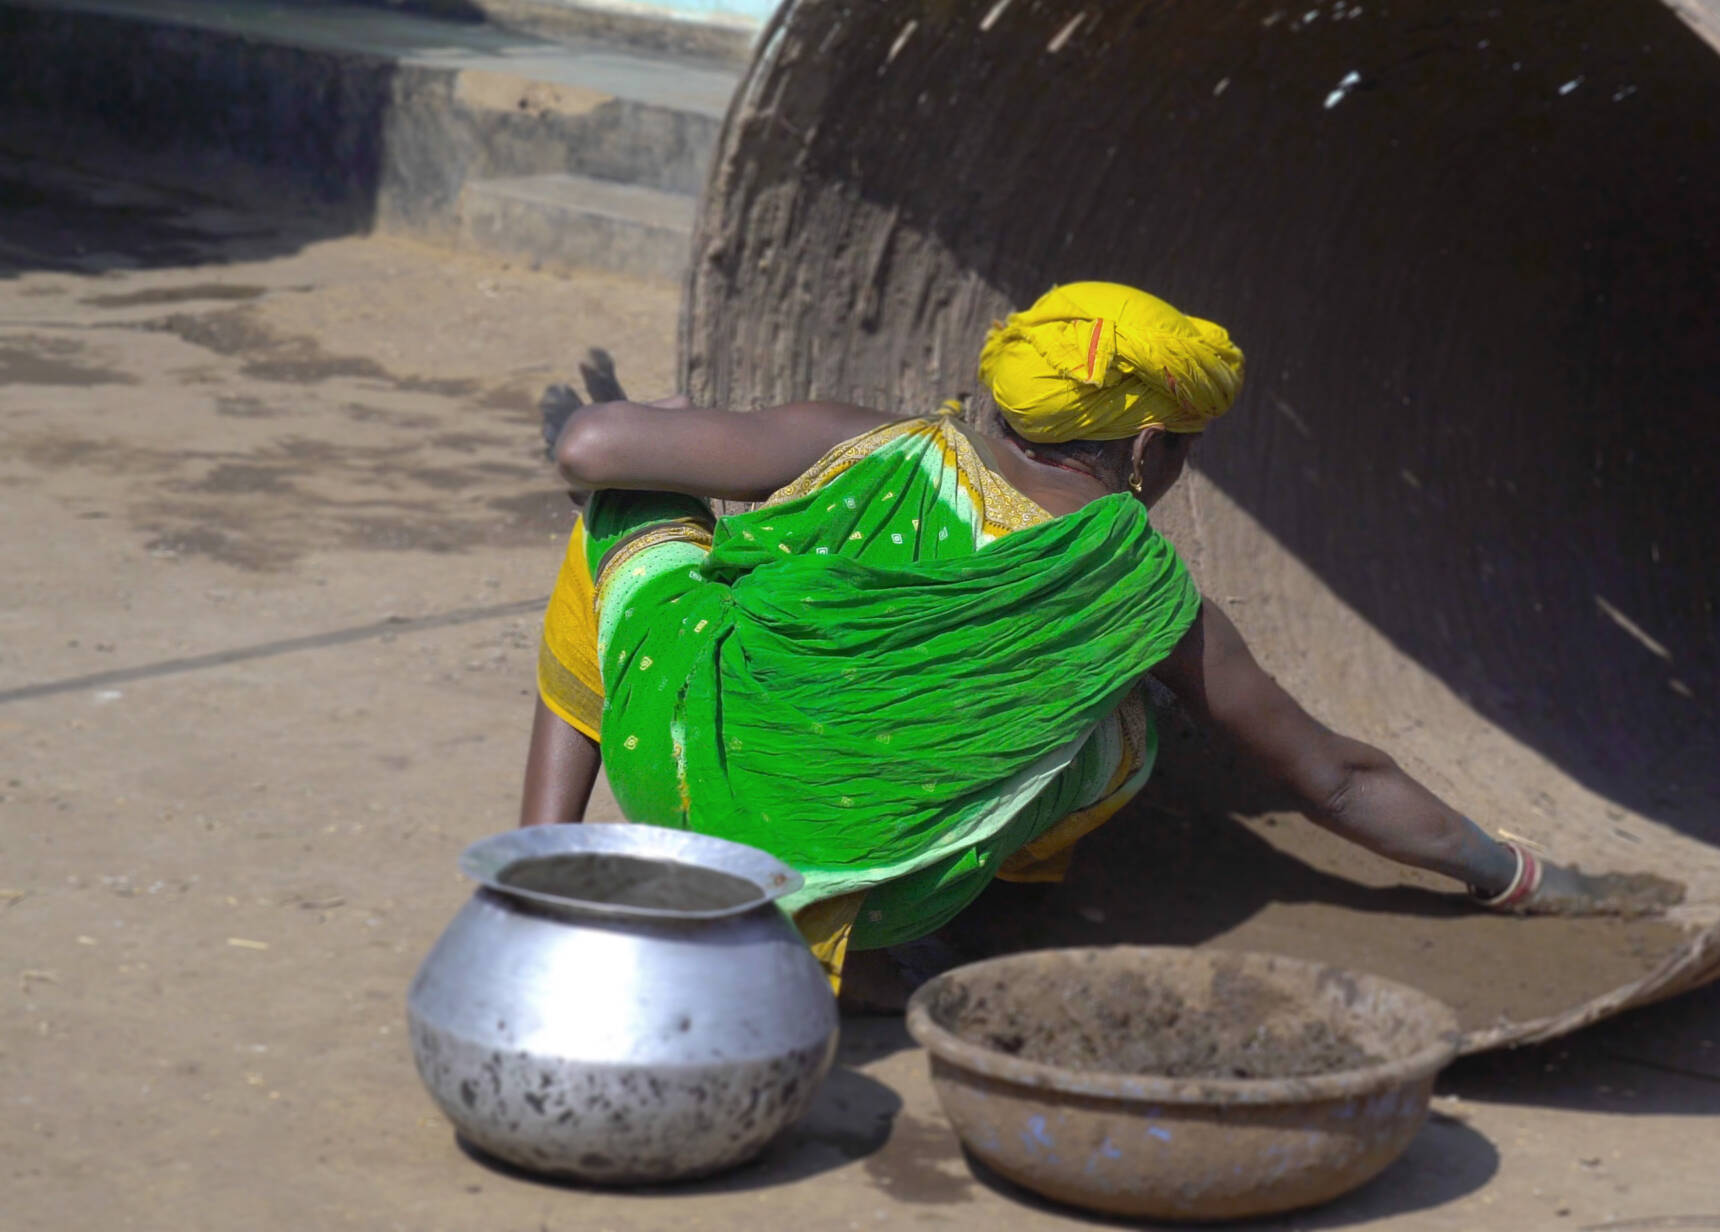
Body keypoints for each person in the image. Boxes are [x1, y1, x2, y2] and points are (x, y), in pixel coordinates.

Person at [520, 282, 1611, 1006]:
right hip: (879, 883)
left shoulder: (863, 443)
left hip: (679, 790)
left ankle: (537, 871)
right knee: (1116, 726)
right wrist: (1508, 870)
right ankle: (932, 917)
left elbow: (587, 444)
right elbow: (1332, 777)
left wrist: (662, 414)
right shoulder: (1136, 594)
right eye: (1184, 445)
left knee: (621, 512)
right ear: (1145, 446)